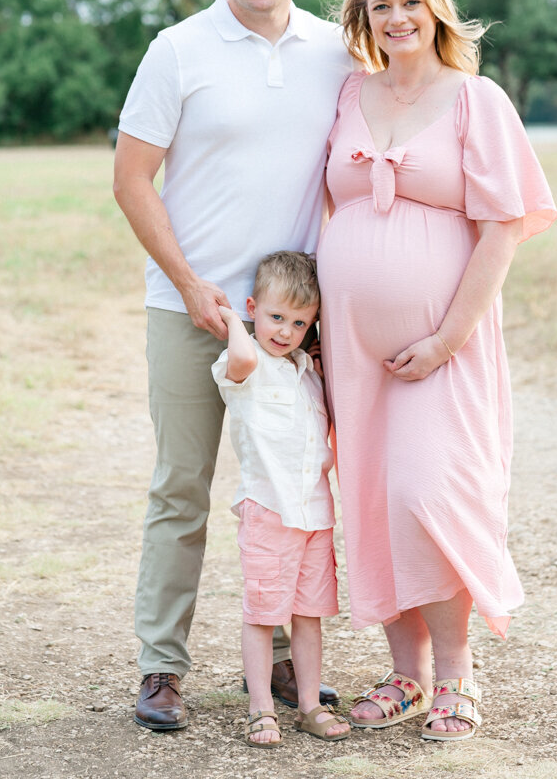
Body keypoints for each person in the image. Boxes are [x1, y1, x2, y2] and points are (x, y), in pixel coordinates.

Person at [113, 0, 352, 731]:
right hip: (190, 311)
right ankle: (160, 669)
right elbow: (131, 179)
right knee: (183, 490)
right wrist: (186, 283)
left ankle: (290, 664)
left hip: (286, 329)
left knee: (291, 489)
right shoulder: (178, 50)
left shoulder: (334, 51)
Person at [316, 0, 557, 742]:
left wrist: (446, 337)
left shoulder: (474, 100)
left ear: (436, 9)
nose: (397, 18)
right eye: (381, 6)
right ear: (363, 19)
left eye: (410, 2)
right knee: (375, 501)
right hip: (353, 351)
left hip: (441, 345)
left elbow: (502, 229)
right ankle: (405, 677)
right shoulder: (351, 92)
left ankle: (456, 675)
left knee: (428, 494)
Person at [211, 251, 351, 747]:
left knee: (308, 614)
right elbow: (246, 355)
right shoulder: (243, 364)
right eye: (275, 317)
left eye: (299, 322)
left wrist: (315, 354)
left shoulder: (307, 373)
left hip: (314, 514)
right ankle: (261, 707)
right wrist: (233, 319)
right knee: (263, 612)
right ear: (253, 309)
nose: (285, 331)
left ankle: (309, 705)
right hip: (269, 510)